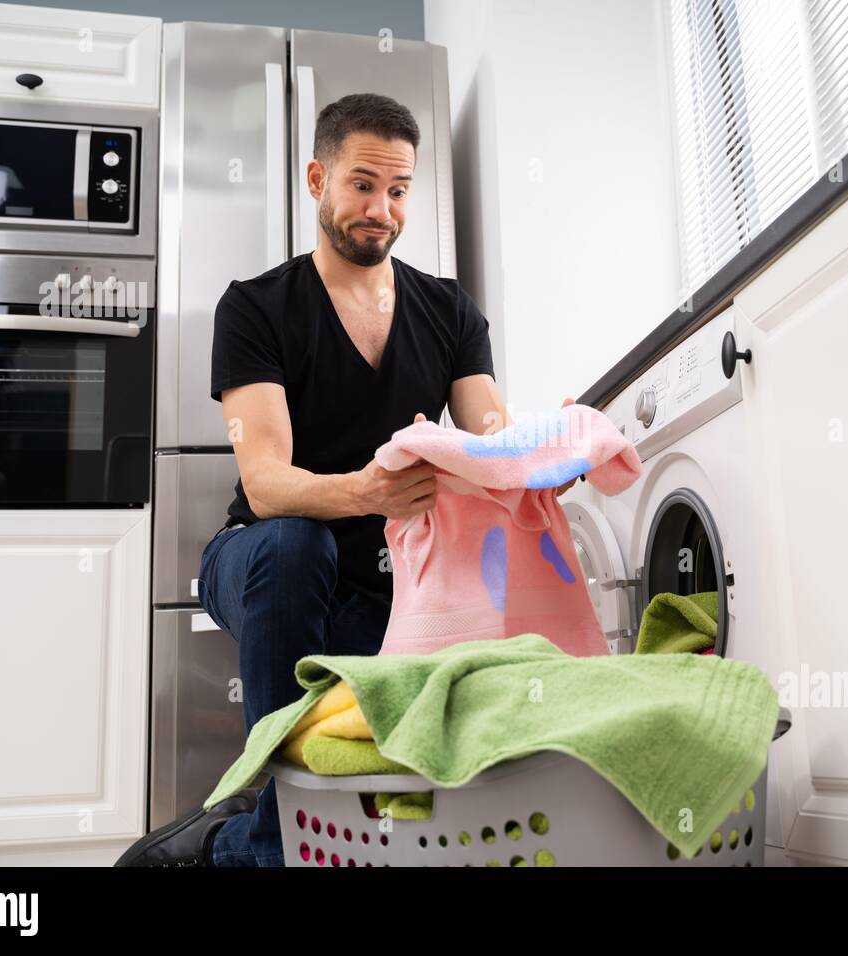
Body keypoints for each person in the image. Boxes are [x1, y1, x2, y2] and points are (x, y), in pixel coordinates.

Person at [116, 92, 574, 868]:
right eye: (363, 184)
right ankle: (272, 853)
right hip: (258, 560)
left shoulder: (449, 312)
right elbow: (265, 485)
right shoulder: (256, 308)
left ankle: (231, 841)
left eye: (398, 191)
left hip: (381, 583)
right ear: (317, 178)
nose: (382, 209)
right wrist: (368, 493)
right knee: (297, 545)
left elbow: (491, 437)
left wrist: (545, 455)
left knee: (403, 722)